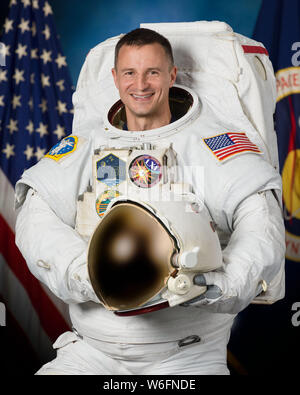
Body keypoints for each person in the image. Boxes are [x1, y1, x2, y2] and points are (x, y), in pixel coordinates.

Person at [14, 27, 285, 375]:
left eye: (152, 72)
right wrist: (87, 274)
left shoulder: (214, 144)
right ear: (115, 78)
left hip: (187, 354)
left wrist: (218, 285)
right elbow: (34, 213)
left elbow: (262, 224)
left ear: (172, 75)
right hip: (94, 351)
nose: (140, 84)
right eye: (130, 73)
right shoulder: (86, 144)